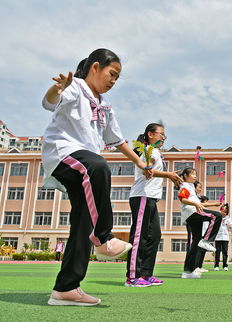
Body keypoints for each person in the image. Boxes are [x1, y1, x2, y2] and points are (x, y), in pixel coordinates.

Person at [42, 49, 153, 306]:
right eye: (111, 74)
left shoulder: (104, 105)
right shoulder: (76, 87)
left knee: (82, 222)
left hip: (84, 163)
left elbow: (117, 139)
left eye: (117, 77)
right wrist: (57, 88)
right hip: (63, 153)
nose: (113, 81)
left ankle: (66, 288)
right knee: (98, 166)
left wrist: (139, 161)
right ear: (95, 67)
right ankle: (104, 238)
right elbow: (50, 102)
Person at [125, 123, 182, 287]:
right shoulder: (147, 150)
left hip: (151, 199)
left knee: (154, 235)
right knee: (139, 237)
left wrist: (172, 178)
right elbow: (146, 171)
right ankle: (132, 276)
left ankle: (146, 274)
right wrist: (169, 175)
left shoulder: (156, 152)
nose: (163, 137)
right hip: (142, 196)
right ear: (150, 134)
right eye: (161, 134)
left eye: (165, 135)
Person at [178, 168, 222, 279]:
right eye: (192, 174)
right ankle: (207, 240)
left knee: (195, 242)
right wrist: (194, 203)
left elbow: (199, 204)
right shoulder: (185, 186)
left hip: (192, 213)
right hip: (192, 212)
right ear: (185, 175)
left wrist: (214, 204)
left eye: (195, 174)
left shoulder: (191, 187)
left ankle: (188, 271)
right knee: (217, 216)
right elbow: (182, 199)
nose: (195, 176)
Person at [214, 203, 232, 271]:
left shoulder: (228, 219)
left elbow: (231, 227)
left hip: (225, 238)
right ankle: (216, 266)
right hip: (217, 237)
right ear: (220, 210)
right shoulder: (217, 218)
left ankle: (225, 266)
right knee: (217, 252)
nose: (224, 213)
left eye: (225, 212)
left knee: (225, 252)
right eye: (223, 211)